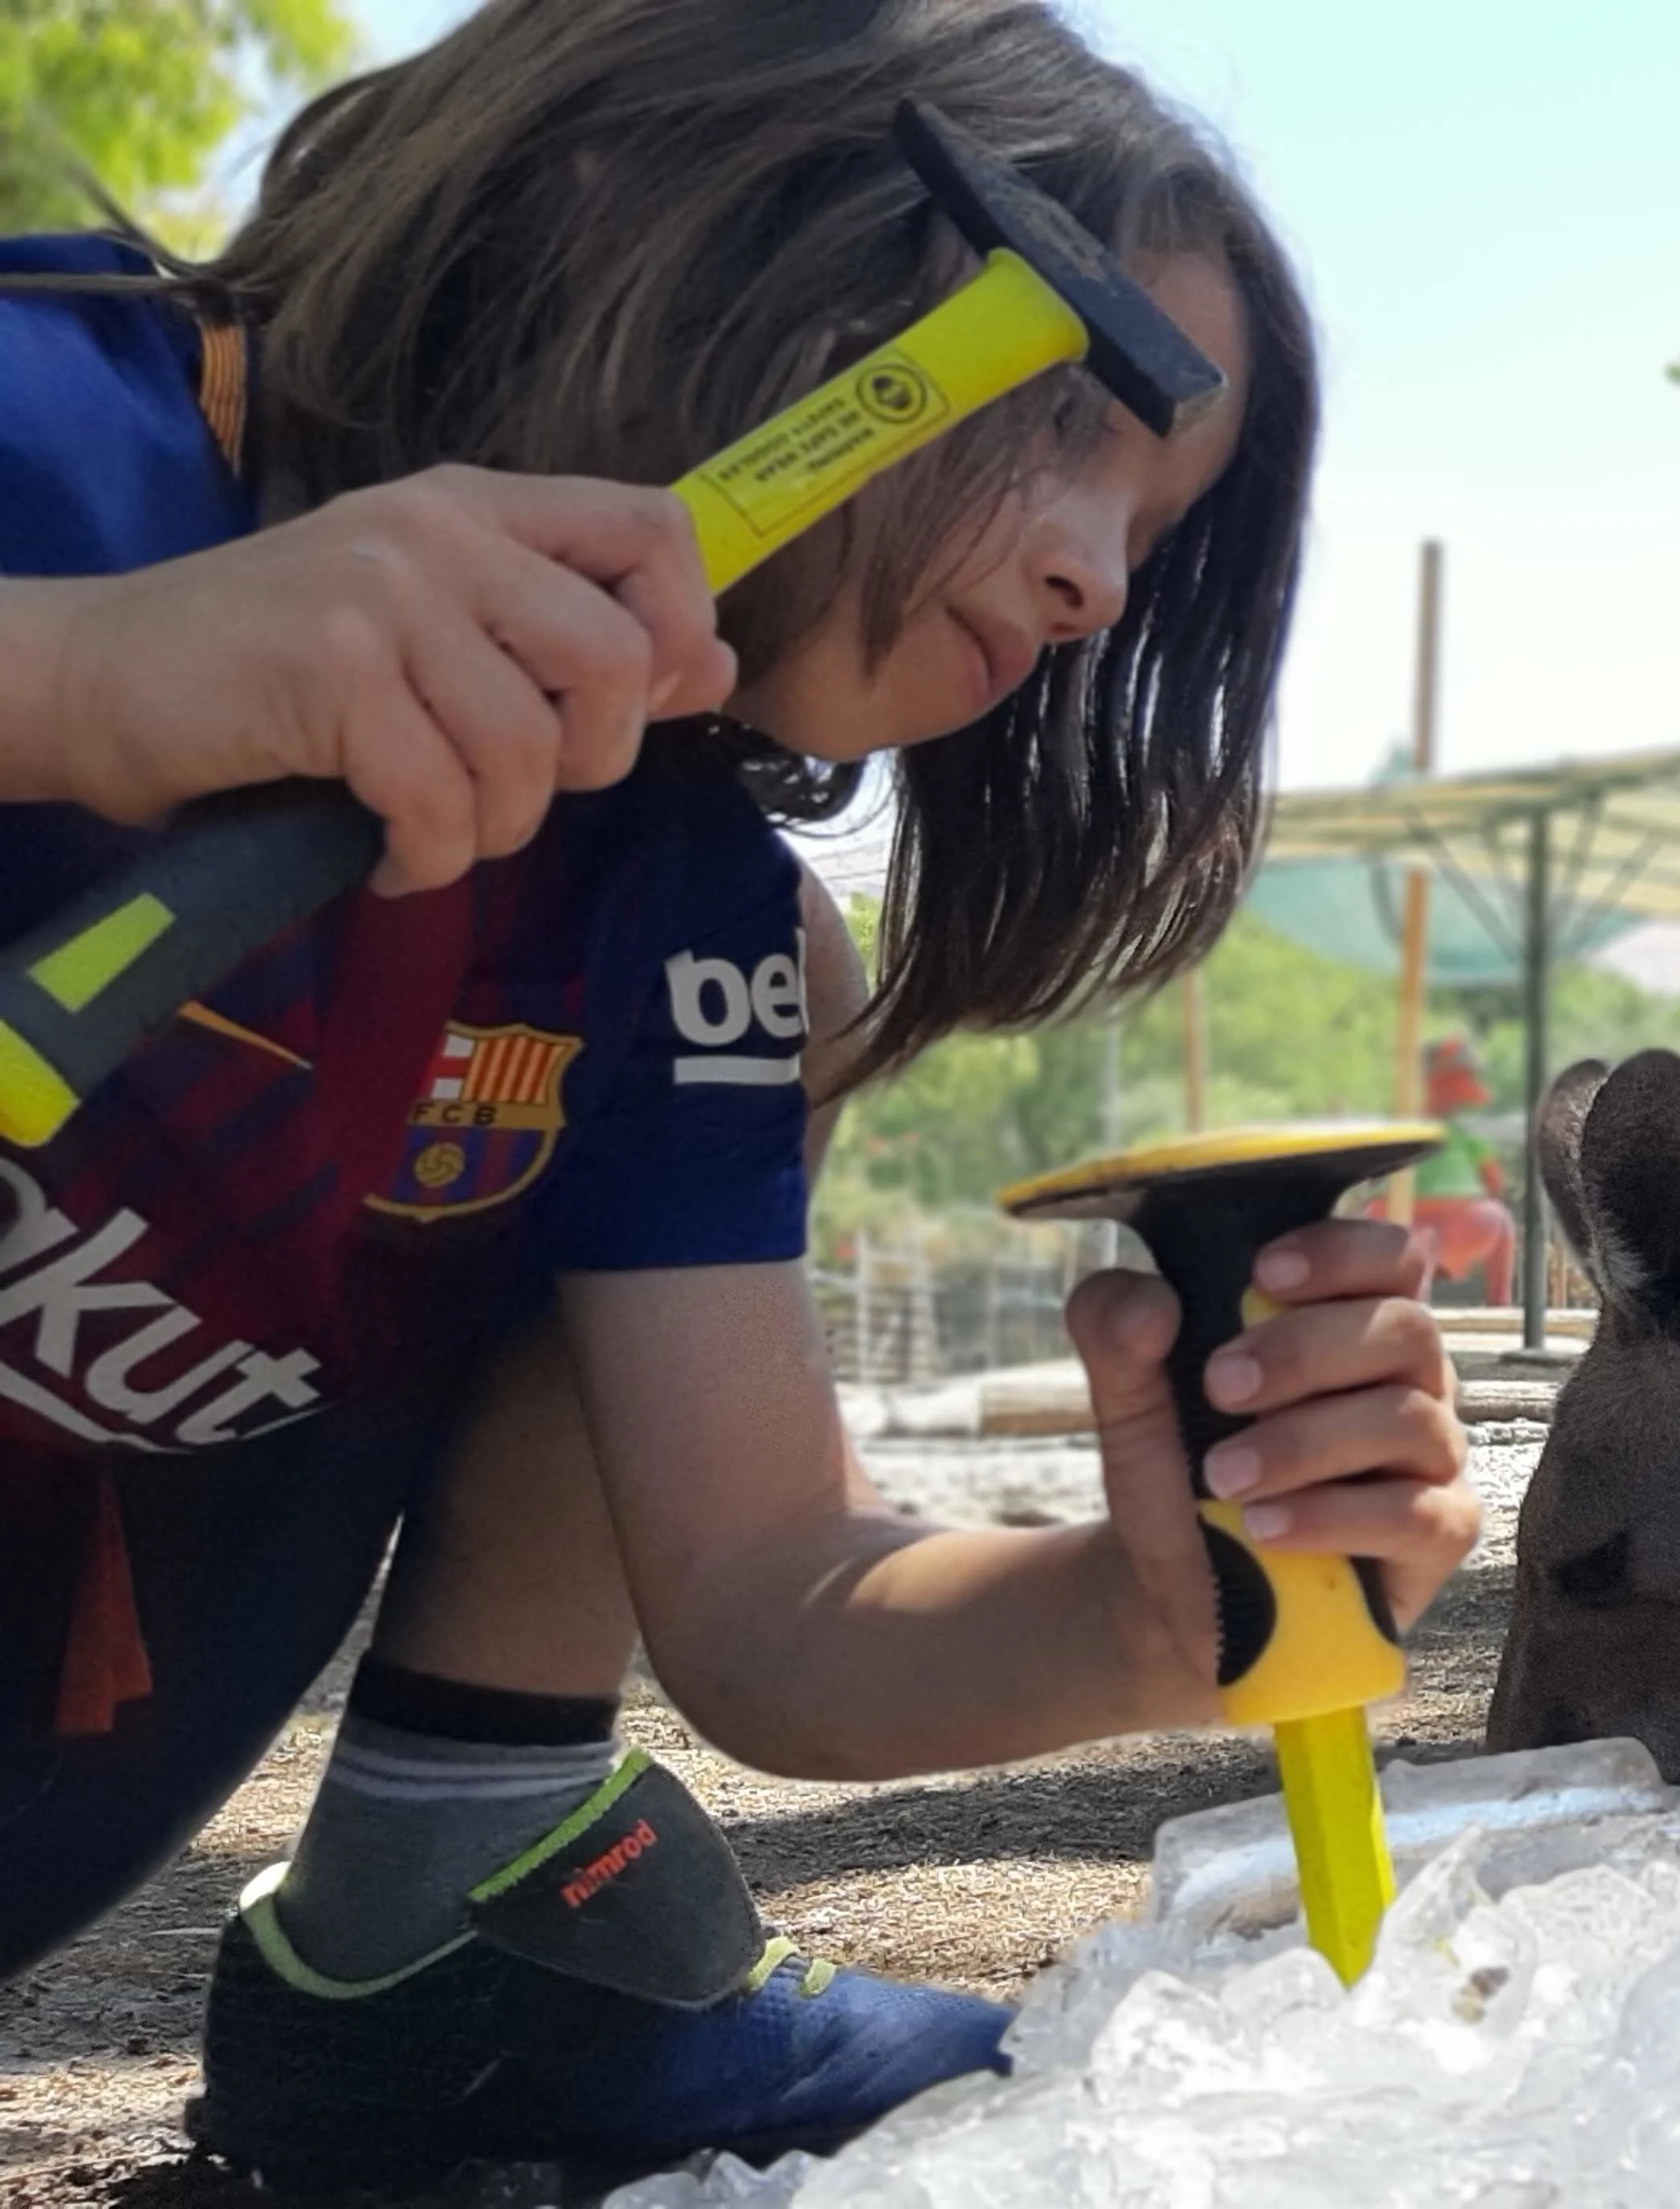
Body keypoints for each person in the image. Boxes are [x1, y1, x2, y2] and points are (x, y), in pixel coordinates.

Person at [0, 0, 1476, 2183]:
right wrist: (76, 675)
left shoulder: (672, 914)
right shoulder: (53, 430)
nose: (1097, 582)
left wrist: (1146, 1612)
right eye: (1058, 415)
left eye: (1152, 536)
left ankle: (454, 1920)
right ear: (666, 198)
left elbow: (775, 1596)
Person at [1409, 1034, 1520, 1304]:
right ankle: (1499, 1302)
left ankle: (1408, 1299)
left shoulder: (1402, 1129)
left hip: (1399, 1221)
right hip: (1464, 1222)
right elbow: (1494, 1182)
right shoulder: (1467, 1133)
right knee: (1504, 1223)